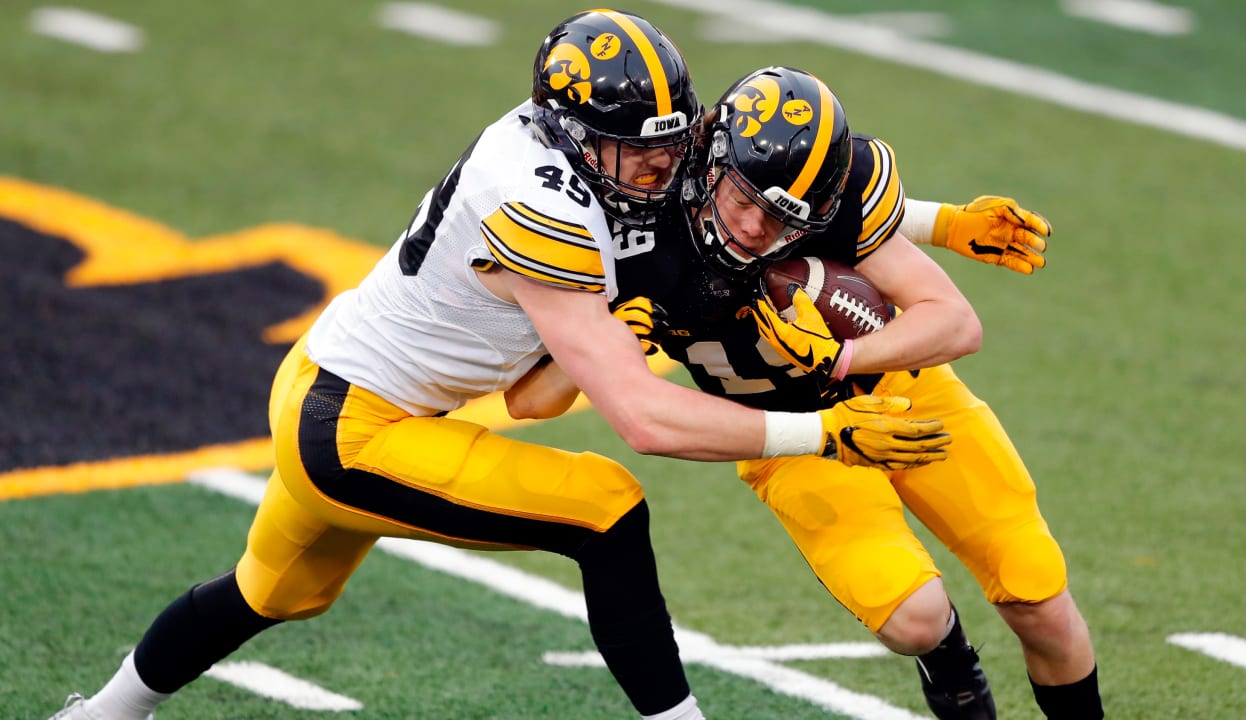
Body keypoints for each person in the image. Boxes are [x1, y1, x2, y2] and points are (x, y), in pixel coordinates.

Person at [47, 14, 954, 720]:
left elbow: (755, 184)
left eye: (671, 142)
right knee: (606, 506)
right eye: (639, 150)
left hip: (343, 387)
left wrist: (933, 223)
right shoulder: (534, 196)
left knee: (266, 593)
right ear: (575, 138)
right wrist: (823, 433)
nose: (661, 165)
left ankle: (106, 711)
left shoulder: (610, 153)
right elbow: (642, 418)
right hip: (353, 427)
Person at [509, 66, 1103, 719]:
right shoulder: (637, 219)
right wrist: (607, 344)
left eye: (783, 220)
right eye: (743, 202)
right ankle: (949, 658)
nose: (754, 232)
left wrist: (842, 357)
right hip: (788, 436)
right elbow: (530, 402)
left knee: (1034, 587)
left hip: (904, 398)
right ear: (709, 162)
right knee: (914, 619)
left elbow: (956, 322)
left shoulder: (831, 199)